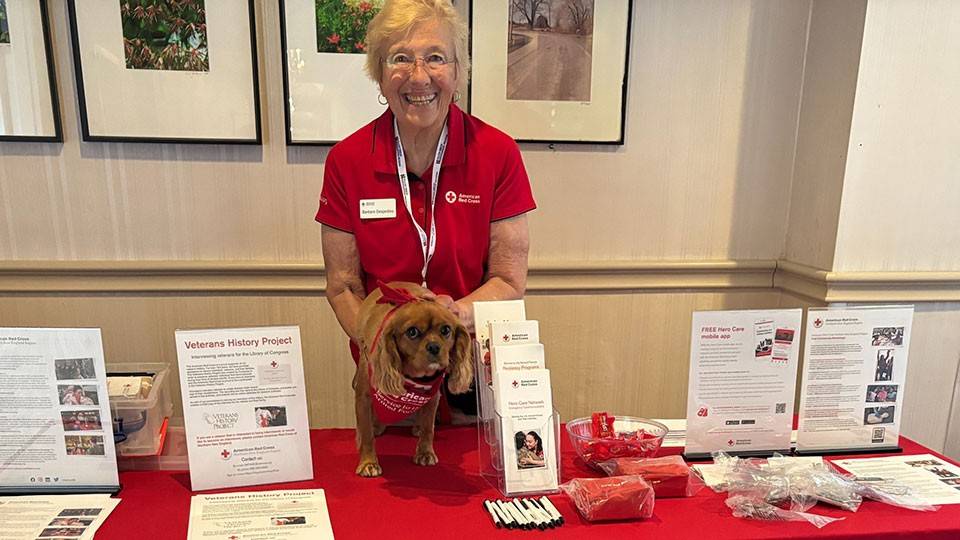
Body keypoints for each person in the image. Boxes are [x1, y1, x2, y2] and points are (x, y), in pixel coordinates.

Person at [316, 0, 535, 417]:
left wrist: (456, 315)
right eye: (400, 58)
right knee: (383, 460)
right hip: (389, 378)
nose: (419, 77)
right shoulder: (346, 161)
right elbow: (342, 286)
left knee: (469, 459)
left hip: (466, 376)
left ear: (458, 71)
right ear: (379, 73)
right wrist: (383, 343)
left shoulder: (497, 153)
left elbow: (509, 280)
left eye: (435, 58)